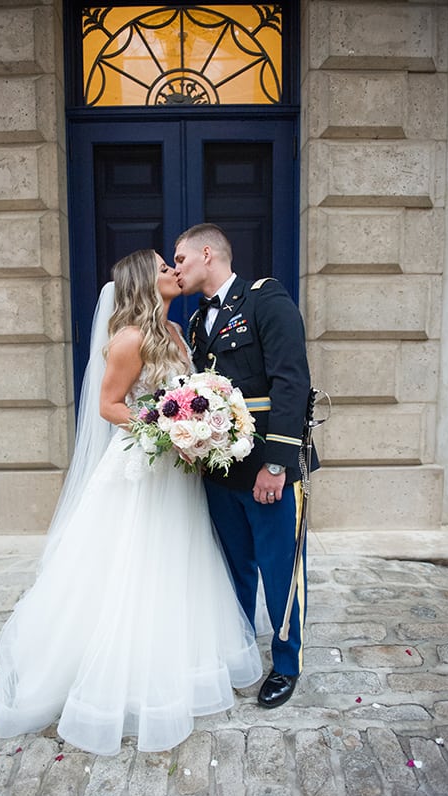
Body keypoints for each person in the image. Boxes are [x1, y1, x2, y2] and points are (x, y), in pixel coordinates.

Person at [0, 249, 262, 756]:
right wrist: (164, 428)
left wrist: (199, 428)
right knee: (134, 560)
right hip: (143, 465)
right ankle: (118, 674)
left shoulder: (177, 334)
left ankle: (179, 661)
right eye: (164, 268)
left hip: (177, 470)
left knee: (180, 557)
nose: (174, 272)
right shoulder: (129, 339)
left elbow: (190, 393)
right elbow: (109, 404)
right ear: (144, 282)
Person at [174, 223, 317, 709]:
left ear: (207, 254)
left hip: (264, 466)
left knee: (281, 569)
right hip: (219, 471)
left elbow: (291, 385)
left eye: (181, 259)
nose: (176, 269)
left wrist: (276, 466)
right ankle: (238, 653)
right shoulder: (196, 323)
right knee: (233, 569)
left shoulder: (265, 301)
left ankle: (287, 662)